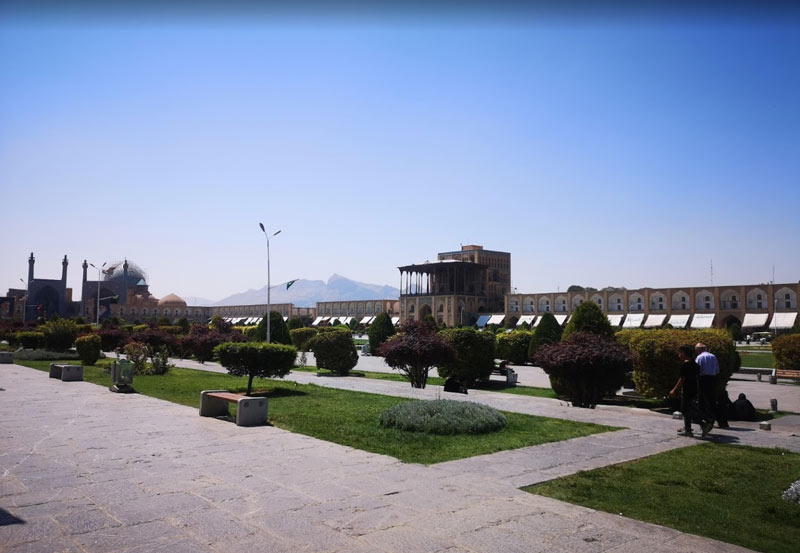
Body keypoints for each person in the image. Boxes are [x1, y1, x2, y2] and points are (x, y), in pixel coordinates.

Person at [671, 345, 714, 438]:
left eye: (679, 353)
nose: (679, 355)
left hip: (687, 389)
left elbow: (682, 379)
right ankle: (688, 429)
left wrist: (674, 389)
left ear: (683, 354)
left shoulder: (685, 365)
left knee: (685, 409)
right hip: (694, 389)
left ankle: (703, 423)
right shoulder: (696, 365)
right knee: (688, 409)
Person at [694, 342, 728, 428]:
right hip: (713, 379)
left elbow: (697, 370)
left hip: (703, 379)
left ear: (699, 349)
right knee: (712, 401)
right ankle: (719, 421)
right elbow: (717, 370)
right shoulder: (713, 356)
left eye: (696, 350)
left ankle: (704, 419)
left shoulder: (700, 357)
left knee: (702, 401)